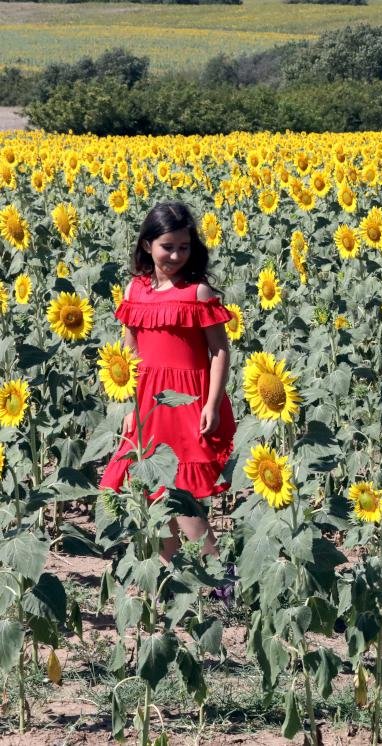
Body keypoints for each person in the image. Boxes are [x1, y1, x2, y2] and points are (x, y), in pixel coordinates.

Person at [100, 201, 235, 563]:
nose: (176, 254)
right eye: (168, 246)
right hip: (148, 400)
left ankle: (219, 582)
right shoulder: (135, 291)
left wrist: (210, 403)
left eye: (184, 247)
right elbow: (128, 354)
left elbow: (220, 351)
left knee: (182, 490)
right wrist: (129, 407)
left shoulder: (197, 293)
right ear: (147, 245)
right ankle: (175, 574)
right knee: (151, 489)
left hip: (188, 400)